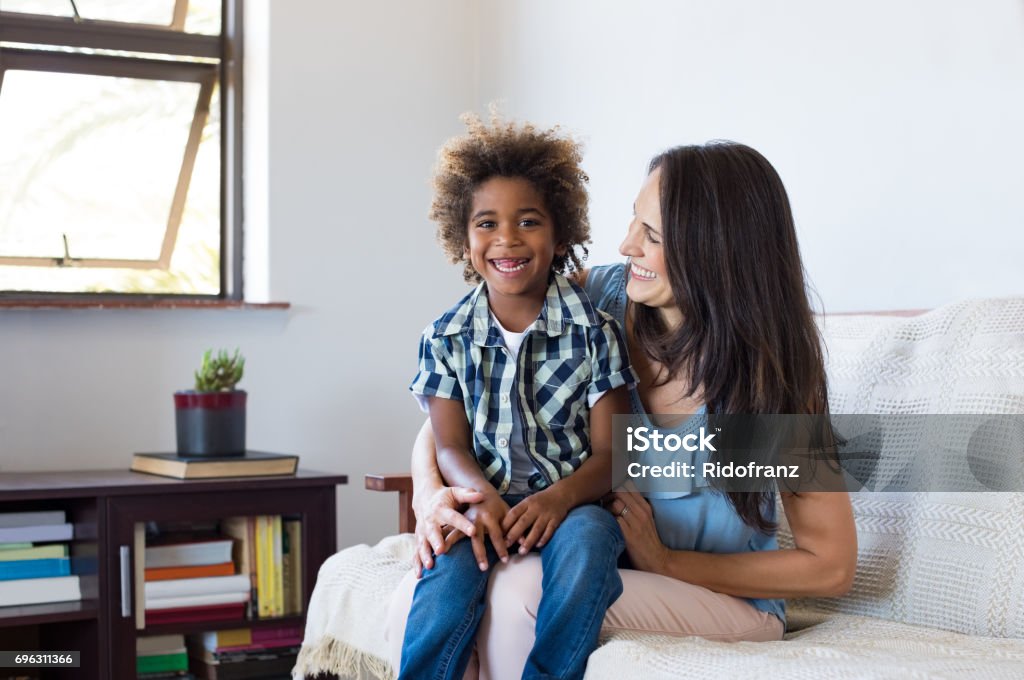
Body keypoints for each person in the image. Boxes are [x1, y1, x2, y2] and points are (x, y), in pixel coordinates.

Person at [388, 141, 858, 680]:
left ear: (717, 252)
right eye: (635, 220)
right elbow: (465, 410)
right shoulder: (602, 302)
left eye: (652, 235)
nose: (626, 244)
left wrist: (668, 562)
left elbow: (832, 566)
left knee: (519, 592)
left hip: (722, 599)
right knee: (420, 594)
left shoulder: (772, 388)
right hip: (597, 565)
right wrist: (430, 495)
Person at [398, 114, 637, 680]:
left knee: (588, 548)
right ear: (463, 238)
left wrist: (557, 501)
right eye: (487, 223)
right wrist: (478, 495)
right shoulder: (446, 337)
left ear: (561, 236)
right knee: (446, 567)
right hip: (482, 500)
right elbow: (449, 444)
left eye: (528, 222)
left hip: (576, 507)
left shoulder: (595, 332)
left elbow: (612, 455)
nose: (507, 239)